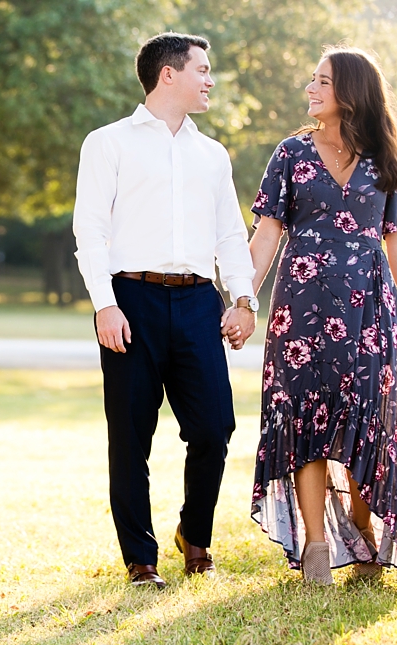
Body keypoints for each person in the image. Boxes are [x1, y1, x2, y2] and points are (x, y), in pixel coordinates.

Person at [246, 46, 397, 584]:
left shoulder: (385, 160)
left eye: (321, 82)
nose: (310, 90)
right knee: (306, 422)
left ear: (351, 93)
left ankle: (362, 538)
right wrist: (243, 298)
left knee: (369, 425)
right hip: (301, 312)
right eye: (312, 80)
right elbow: (267, 233)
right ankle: (317, 548)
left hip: (371, 310)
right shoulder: (290, 155)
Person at [73, 32, 258, 589]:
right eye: (202, 69)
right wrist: (105, 304)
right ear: (168, 75)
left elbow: (230, 235)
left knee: (214, 426)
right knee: (131, 435)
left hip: (200, 301)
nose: (211, 80)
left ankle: (193, 534)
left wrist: (244, 299)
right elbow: (91, 231)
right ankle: (141, 559)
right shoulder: (107, 143)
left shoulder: (213, 154)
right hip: (131, 301)